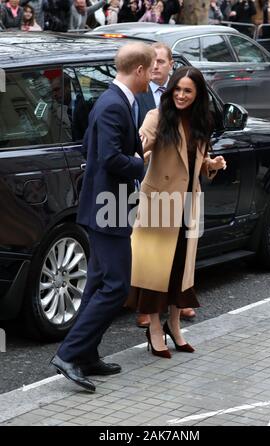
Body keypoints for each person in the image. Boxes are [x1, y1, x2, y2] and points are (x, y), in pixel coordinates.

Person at [50, 42, 156, 392]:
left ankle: (88, 354)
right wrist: (140, 164)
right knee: (116, 286)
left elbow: (89, 148)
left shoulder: (113, 101)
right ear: (139, 70)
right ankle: (68, 354)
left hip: (108, 204)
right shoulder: (113, 105)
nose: (153, 75)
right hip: (107, 208)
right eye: (151, 68)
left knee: (97, 284)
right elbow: (111, 158)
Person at [127, 66, 226, 358]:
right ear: (170, 91)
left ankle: (174, 324)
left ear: (197, 95)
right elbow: (138, 149)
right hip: (159, 204)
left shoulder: (201, 121)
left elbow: (195, 160)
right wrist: (136, 154)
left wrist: (211, 165)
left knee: (180, 269)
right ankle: (155, 329)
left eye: (188, 91)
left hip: (187, 204)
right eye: (178, 90)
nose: (181, 96)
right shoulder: (157, 118)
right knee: (157, 272)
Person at [135, 42, 197, 328]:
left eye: (161, 61)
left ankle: (178, 300)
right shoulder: (141, 95)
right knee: (150, 251)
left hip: (181, 187)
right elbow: (139, 143)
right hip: (148, 181)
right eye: (152, 62)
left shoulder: (189, 105)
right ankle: (146, 308)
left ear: (171, 64)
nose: (156, 66)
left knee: (180, 248)